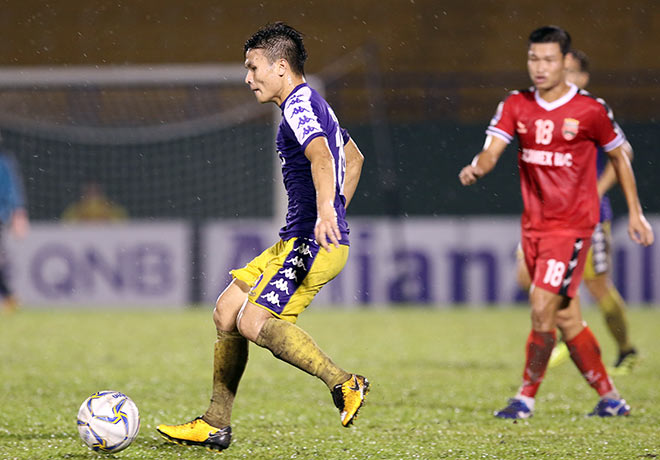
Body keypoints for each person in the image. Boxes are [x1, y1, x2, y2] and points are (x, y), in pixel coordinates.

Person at [156, 22, 367, 452]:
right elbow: (354, 156)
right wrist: (335, 208)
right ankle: (215, 423)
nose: (248, 78)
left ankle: (344, 382)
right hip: (296, 240)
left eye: (254, 67)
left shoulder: (299, 104)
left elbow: (322, 156)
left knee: (252, 322)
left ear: (281, 67)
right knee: (226, 312)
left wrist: (328, 212)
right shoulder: (311, 103)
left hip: (311, 243)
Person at [459, 25, 654, 419]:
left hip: (572, 227)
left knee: (542, 306)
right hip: (534, 226)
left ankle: (524, 399)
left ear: (565, 62)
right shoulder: (516, 104)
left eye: (548, 59)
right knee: (566, 317)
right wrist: (479, 166)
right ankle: (611, 399)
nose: (540, 67)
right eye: (533, 58)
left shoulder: (590, 109)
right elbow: (492, 149)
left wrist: (635, 212)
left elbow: (620, 156)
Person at [516, 49, 638, 376]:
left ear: (583, 78)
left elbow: (624, 153)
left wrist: (595, 191)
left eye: (569, 71)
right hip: (547, 217)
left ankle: (626, 349)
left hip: (588, 217)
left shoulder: (588, 110)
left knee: (598, 287)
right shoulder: (541, 109)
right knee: (525, 275)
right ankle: (570, 331)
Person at [0, 140, 30, 313]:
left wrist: (18, 213)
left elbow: (13, 190)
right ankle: (9, 296)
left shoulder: (4, 163)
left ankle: (9, 296)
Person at [61, 181, 128, 221]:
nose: (92, 194)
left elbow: (123, 225)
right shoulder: (74, 209)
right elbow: (65, 227)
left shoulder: (113, 209)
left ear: (101, 192)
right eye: (89, 191)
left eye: (96, 190)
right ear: (83, 192)